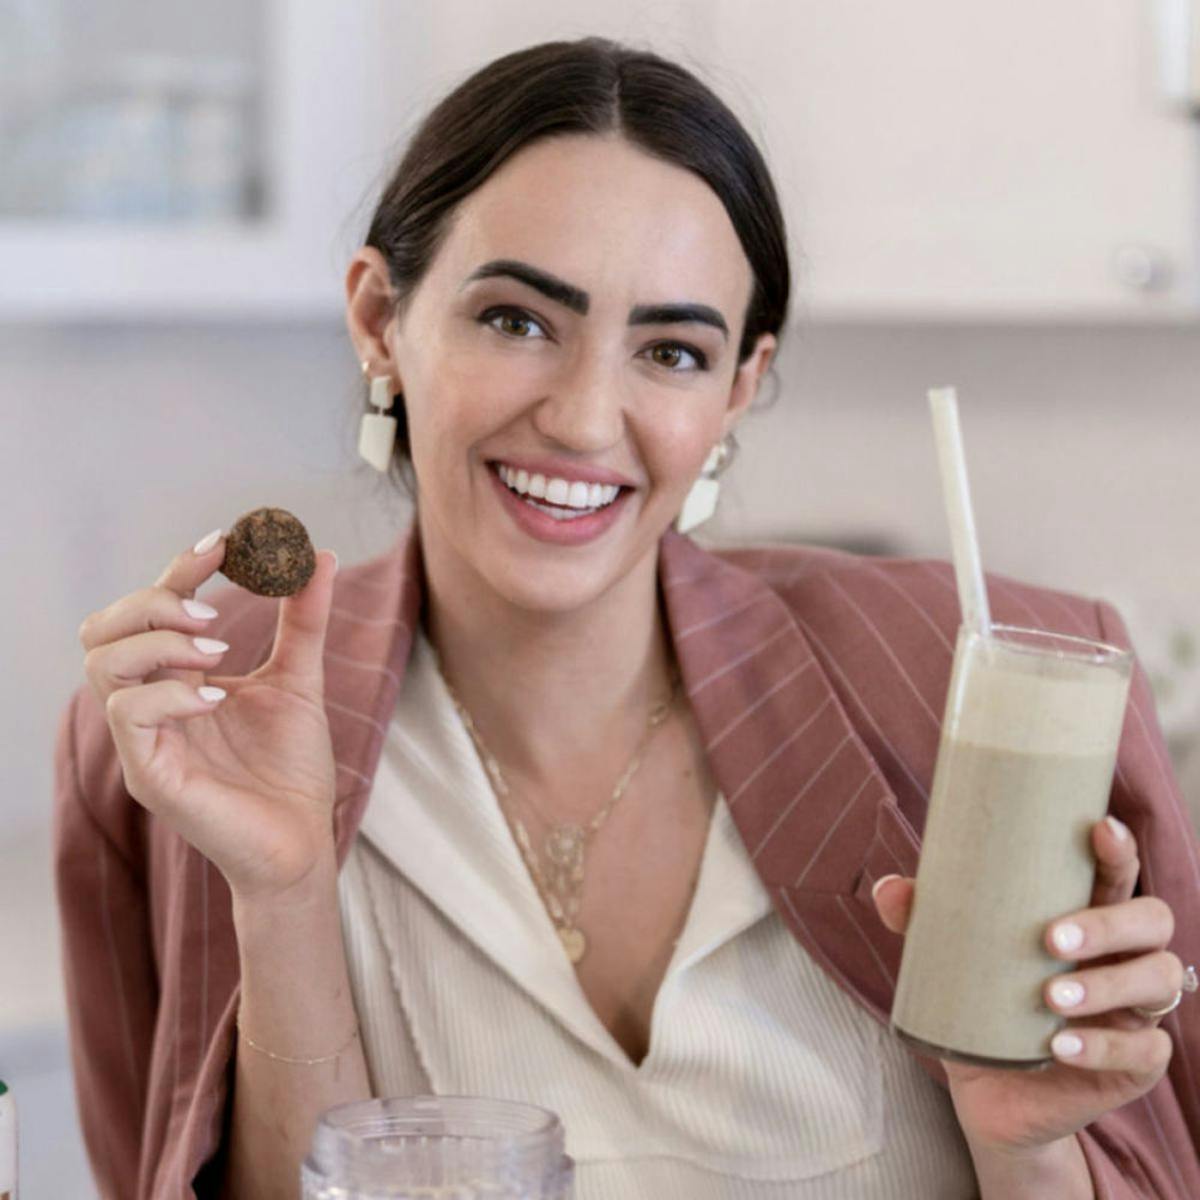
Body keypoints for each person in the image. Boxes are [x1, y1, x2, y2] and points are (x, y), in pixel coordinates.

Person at [55, 35, 1200, 1200]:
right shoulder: (202, 718)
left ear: (739, 387)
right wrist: (286, 894)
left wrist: (1030, 1148)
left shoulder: (979, 694)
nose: (587, 419)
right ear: (379, 319)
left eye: (671, 349)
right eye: (517, 321)